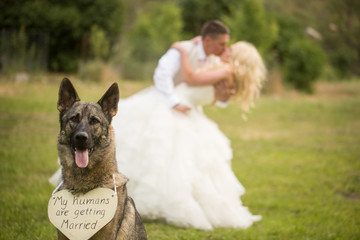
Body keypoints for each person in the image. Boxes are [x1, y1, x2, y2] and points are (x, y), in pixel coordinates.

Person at [110, 39, 266, 229]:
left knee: (162, 158)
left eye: (231, 50)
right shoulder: (227, 77)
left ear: (239, 58)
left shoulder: (224, 72)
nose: (226, 50)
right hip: (185, 110)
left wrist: (183, 51)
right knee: (171, 162)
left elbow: (190, 78)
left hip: (176, 109)